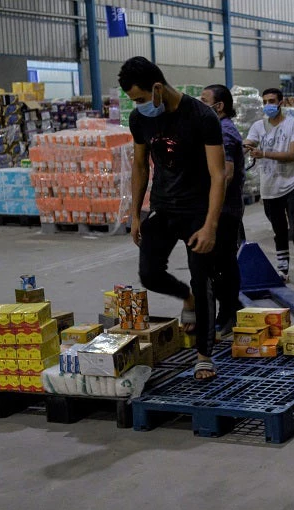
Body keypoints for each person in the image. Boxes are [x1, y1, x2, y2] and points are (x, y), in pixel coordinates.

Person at [120, 56, 225, 381]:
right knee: (149, 274)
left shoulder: (201, 116)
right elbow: (139, 166)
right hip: (163, 209)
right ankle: (185, 297)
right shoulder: (141, 119)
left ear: (157, 88)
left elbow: (218, 174)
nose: (138, 106)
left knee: (203, 280)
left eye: (140, 98)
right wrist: (135, 215)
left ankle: (204, 354)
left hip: (197, 212)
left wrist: (210, 224)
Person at [243, 88, 294, 294]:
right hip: (269, 188)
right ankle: (282, 270)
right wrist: (244, 145)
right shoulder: (258, 126)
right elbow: (249, 141)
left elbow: (292, 155)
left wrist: (263, 153)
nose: (268, 106)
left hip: (291, 184)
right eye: (265, 102)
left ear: (281, 102)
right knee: (279, 231)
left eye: (272, 101)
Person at [200, 84, 244, 338]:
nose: (199, 104)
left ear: (219, 106)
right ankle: (231, 309)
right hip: (222, 209)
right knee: (220, 263)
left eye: (204, 101)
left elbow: (225, 174)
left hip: (224, 210)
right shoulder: (217, 129)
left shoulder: (224, 131)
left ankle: (227, 315)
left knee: (222, 264)